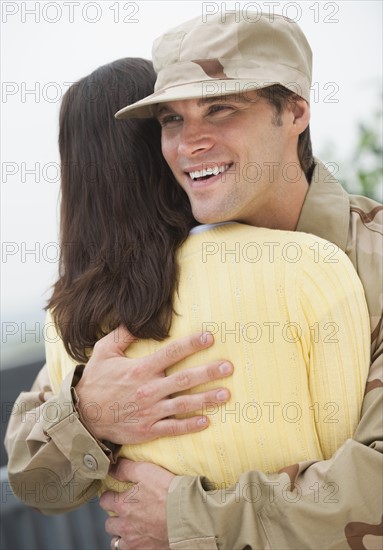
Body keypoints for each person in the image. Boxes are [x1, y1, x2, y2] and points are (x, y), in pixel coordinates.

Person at [5, 11, 382, 550]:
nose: (189, 143)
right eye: (170, 120)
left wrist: (186, 518)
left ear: (295, 110)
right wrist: (89, 415)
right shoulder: (158, 276)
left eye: (220, 109)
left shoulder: (369, 262)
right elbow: (29, 472)